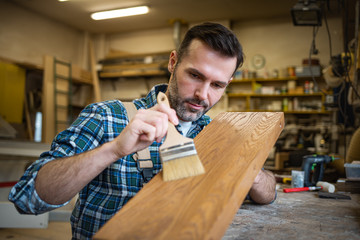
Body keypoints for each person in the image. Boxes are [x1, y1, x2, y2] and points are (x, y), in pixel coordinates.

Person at [9, 22, 276, 239]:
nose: (202, 95)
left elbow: (268, 194)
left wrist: (248, 168)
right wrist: (114, 150)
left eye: (217, 85)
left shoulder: (216, 134)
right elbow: (28, 198)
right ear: (173, 62)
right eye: (195, 75)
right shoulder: (106, 116)